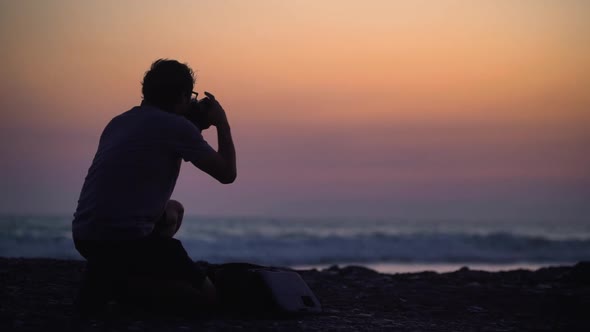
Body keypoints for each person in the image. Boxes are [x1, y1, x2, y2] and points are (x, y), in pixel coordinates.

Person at [72, 59, 236, 314]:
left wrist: (193, 127)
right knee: (209, 298)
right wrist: (222, 123)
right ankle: (123, 289)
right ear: (182, 95)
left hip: (85, 236)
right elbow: (227, 174)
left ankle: (112, 272)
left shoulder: (118, 122)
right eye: (190, 96)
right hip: (125, 240)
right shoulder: (176, 127)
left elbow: (151, 149)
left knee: (174, 210)